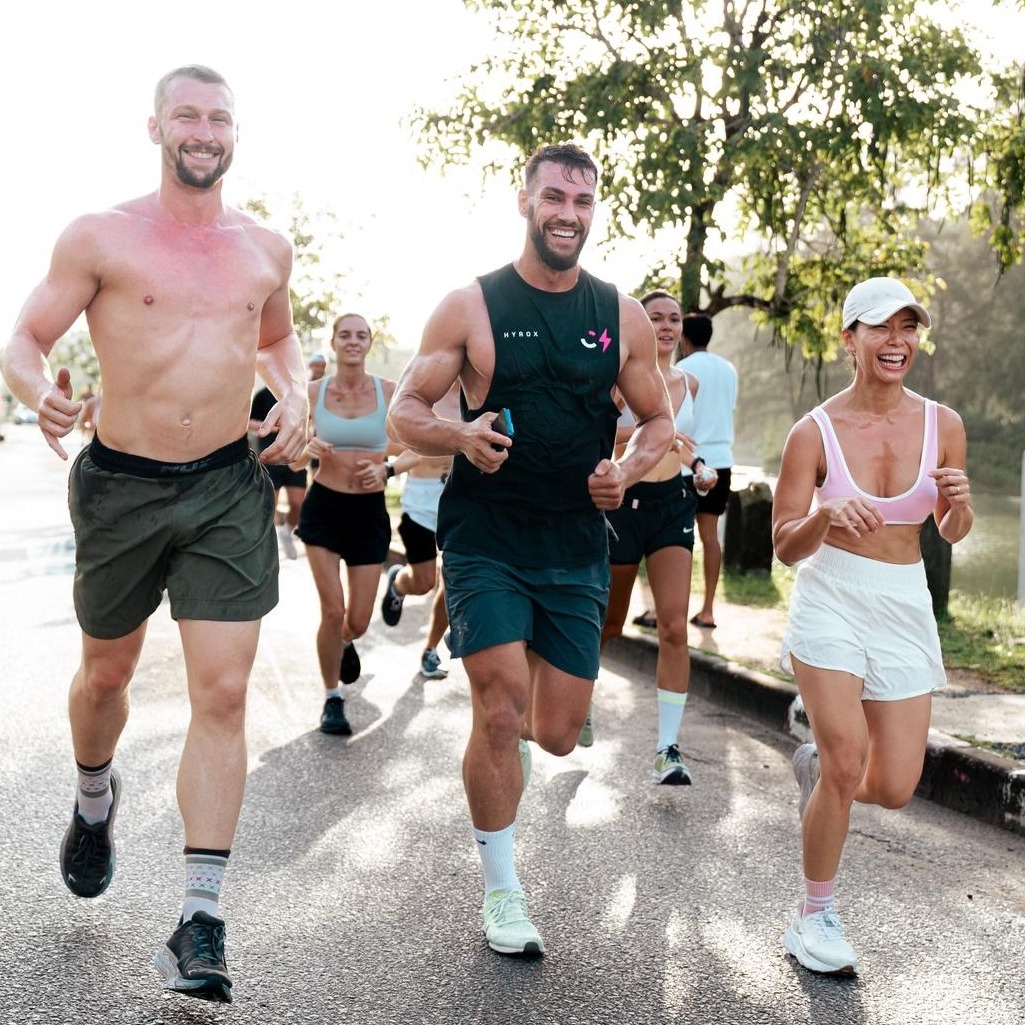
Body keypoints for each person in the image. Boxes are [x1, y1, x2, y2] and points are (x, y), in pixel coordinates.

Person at [0, 65, 308, 1003]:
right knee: (107, 676)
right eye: (188, 115)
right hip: (121, 489)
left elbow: (279, 340)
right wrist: (35, 389)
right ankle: (95, 799)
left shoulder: (266, 248)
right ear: (156, 127)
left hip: (226, 485)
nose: (204, 131)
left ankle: (199, 919)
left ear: (234, 134)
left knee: (222, 691)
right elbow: (24, 337)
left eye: (219, 117)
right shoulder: (100, 236)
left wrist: (292, 394)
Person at [386, 142, 674, 956]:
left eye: (581, 202)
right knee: (500, 708)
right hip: (485, 535)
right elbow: (405, 411)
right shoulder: (470, 305)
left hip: (575, 540)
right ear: (524, 202)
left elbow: (658, 422)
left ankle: (538, 728)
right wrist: (457, 431)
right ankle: (502, 889)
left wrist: (624, 469)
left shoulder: (616, 313)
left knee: (553, 730)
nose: (567, 214)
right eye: (553, 197)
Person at [771, 276, 972, 976]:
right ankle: (813, 916)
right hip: (830, 594)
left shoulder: (942, 424)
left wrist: (959, 506)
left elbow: (949, 527)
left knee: (890, 786)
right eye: (881, 328)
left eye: (907, 328)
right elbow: (783, 542)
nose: (897, 342)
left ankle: (815, 765)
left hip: (901, 601)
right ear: (848, 337)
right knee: (849, 760)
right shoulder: (813, 432)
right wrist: (823, 517)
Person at [590, 291, 715, 776]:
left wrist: (700, 466)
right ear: (640, 325)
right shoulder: (619, 379)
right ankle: (579, 696)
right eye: (654, 318)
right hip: (623, 506)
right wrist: (640, 434)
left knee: (674, 626)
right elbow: (596, 433)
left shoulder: (692, 383)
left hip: (672, 507)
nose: (665, 326)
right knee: (611, 624)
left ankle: (668, 748)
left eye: (673, 319)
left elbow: (681, 444)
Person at [294, 313, 396, 736]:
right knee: (332, 610)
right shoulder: (312, 392)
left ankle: (347, 641)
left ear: (369, 343)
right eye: (344, 335)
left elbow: (419, 449)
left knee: (357, 619)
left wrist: (389, 469)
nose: (352, 341)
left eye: (361, 335)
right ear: (333, 342)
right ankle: (332, 698)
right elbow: (289, 456)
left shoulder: (389, 392)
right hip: (324, 508)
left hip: (369, 513)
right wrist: (306, 445)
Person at [379, 382, 461, 679]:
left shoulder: (477, 396)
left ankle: (430, 649)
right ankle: (399, 583)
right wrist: (389, 467)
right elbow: (388, 441)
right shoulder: (420, 395)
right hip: (419, 505)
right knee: (425, 582)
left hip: (459, 502)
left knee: (452, 581)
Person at [675, 313, 737, 629]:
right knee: (711, 537)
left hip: (689, 460)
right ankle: (708, 609)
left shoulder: (682, 370)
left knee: (678, 540)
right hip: (722, 461)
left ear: (684, 338)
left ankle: (667, 611)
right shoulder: (728, 370)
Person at [249, 384, 308, 559]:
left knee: (298, 504)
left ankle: (287, 532)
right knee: (269, 506)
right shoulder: (262, 395)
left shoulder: (300, 395)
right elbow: (248, 422)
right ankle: (268, 546)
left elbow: (310, 421)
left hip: (295, 457)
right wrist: (269, 425)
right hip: (269, 457)